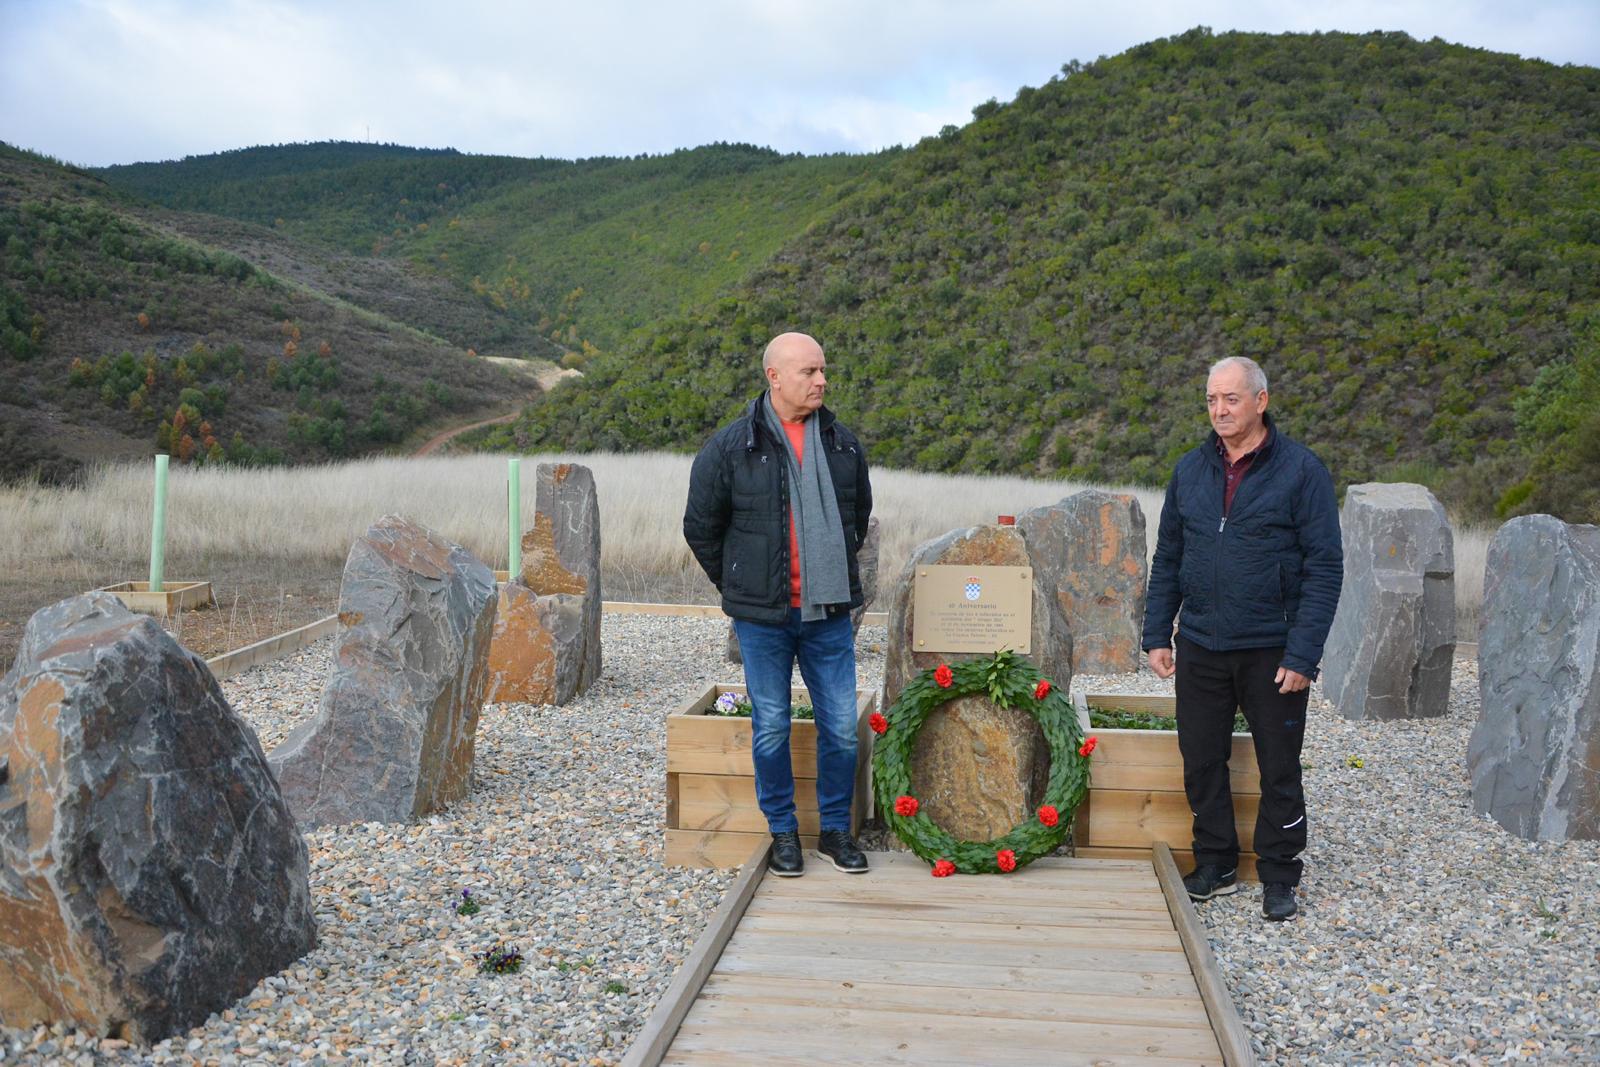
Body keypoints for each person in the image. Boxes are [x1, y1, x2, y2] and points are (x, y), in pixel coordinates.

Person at [1142, 356, 1342, 921]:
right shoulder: (1189, 470)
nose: (1220, 410)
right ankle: (1216, 863)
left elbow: (1324, 568)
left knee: (1280, 765)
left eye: (1231, 398)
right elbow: (1170, 558)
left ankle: (1280, 873)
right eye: (1211, 400)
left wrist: (1304, 653)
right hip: (1202, 643)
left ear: (1261, 400)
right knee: (1201, 759)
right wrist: (1159, 631)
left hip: (1272, 650)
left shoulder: (1302, 472)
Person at [683, 332, 874, 877]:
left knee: (839, 725)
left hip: (828, 614)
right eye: (809, 371)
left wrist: (823, 575)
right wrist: (738, 583)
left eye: (822, 370)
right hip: (762, 617)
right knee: (771, 725)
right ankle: (783, 832)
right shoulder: (732, 445)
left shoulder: (842, 444)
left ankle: (836, 831)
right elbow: (701, 527)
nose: (821, 381)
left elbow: (855, 521)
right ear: (774, 376)